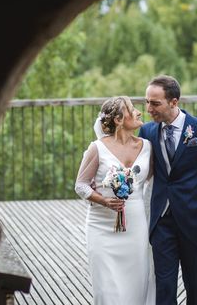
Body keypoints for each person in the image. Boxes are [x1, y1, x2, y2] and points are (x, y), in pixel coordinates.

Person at [139, 75, 197, 305]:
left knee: (195, 287)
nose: (148, 108)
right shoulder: (147, 132)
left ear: (174, 102)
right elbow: (139, 170)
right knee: (164, 288)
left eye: (155, 103)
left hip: (195, 222)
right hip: (161, 222)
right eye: (147, 102)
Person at [74, 96, 155, 305]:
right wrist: (103, 200)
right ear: (119, 119)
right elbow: (81, 185)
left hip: (136, 226)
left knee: (136, 285)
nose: (139, 112)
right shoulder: (97, 148)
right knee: (107, 289)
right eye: (132, 109)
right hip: (101, 226)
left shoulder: (147, 147)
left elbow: (154, 182)